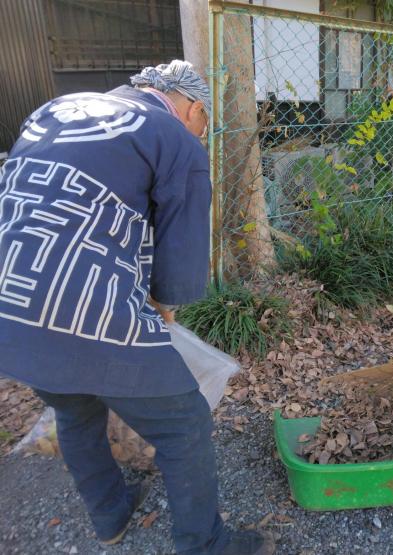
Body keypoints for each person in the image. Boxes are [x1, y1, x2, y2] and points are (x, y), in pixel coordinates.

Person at [0, 60, 274, 555]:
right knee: (183, 423)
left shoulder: (57, 109)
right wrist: (165, 303)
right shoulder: (173, 137)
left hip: (10, 304)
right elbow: (181, 260)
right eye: (204, 121)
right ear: (190, 107)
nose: (202, 133)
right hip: (86, 306)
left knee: (76, 407)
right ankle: (206, 545)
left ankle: (111, 515)